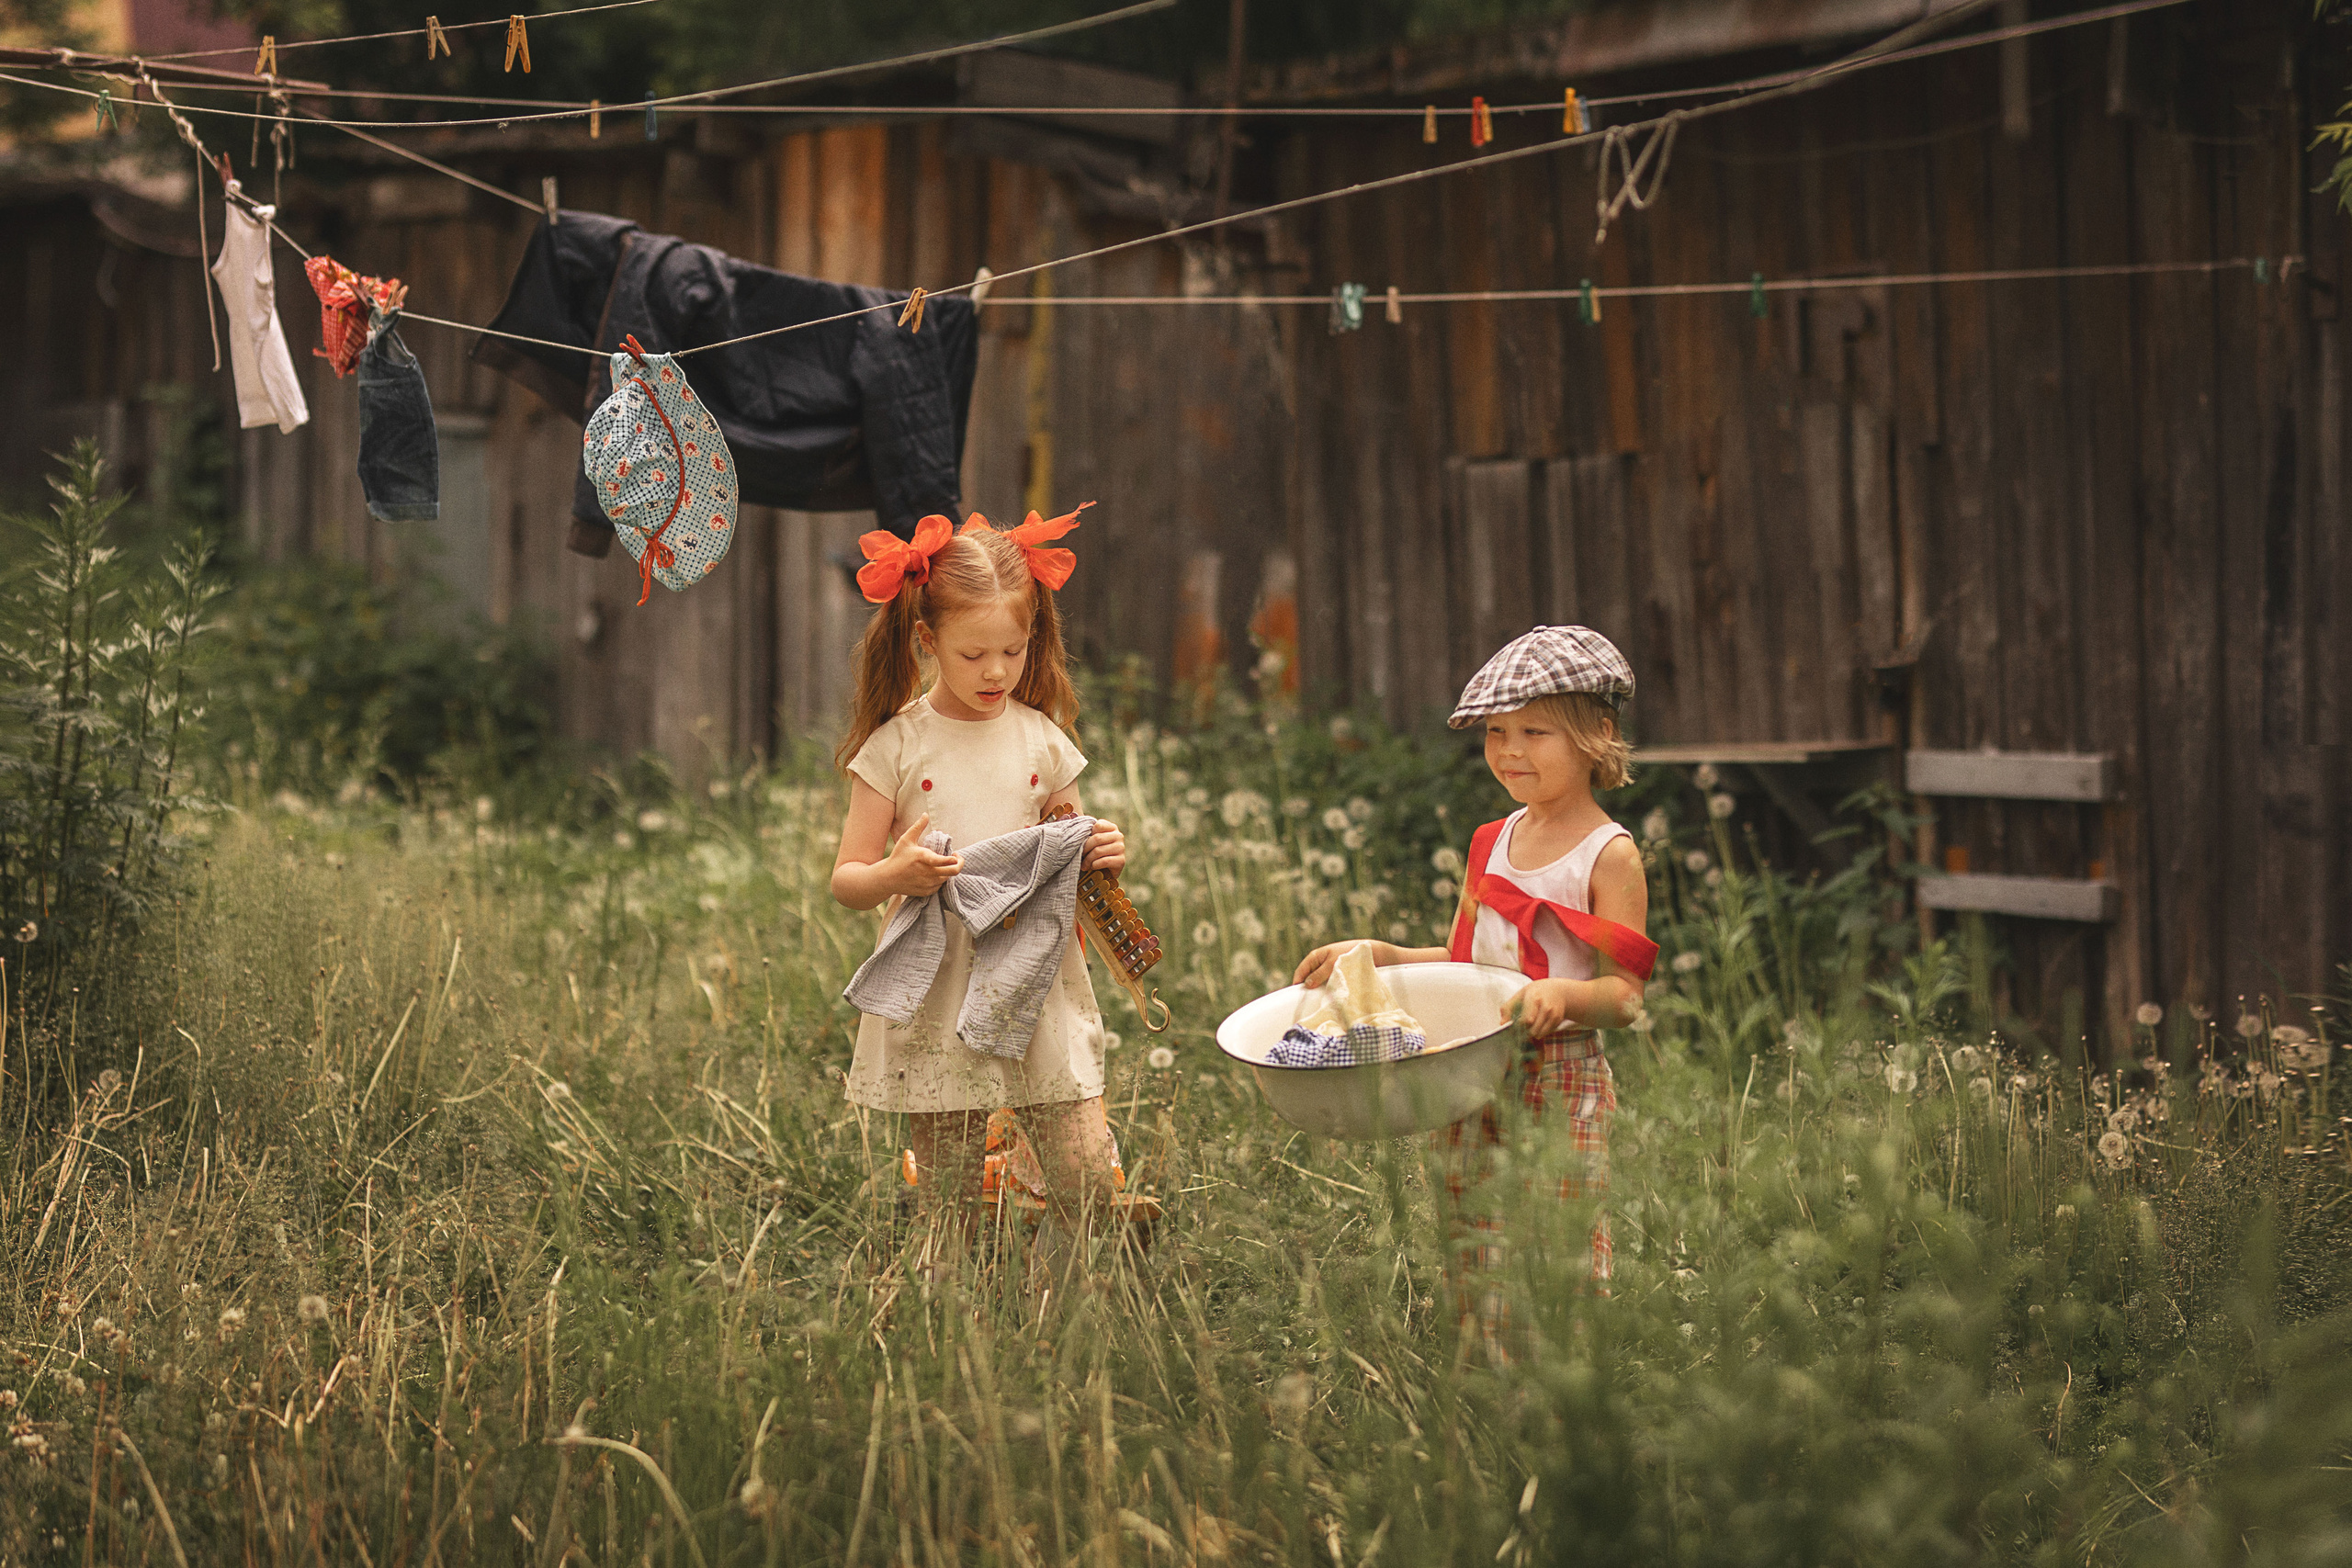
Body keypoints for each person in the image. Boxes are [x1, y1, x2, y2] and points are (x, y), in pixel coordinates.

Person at [1293, 626, 1657, 1350]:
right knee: (1473, 1221)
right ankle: (1487, 1360)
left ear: (1597, 734)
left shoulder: (1609, 855)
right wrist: (1386, 953)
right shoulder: (1491, 841)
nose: (1509, 750)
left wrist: (1564, 995)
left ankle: (1567, 1368)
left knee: (1559, 1227)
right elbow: (1467, 962)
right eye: (1495, 731)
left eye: (1534, 731)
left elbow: (1626, 995)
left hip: (1560, 1074)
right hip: (1471, 1068)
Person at [831, 506, 1128, 1277]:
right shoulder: (896, 745)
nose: (998, 671)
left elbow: (1071, 857)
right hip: (941, 982)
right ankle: (958, 1317)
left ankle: (1044, 1240)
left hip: (1035, 974)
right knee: (950, 1199)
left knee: (1086, 1172)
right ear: (928, 641)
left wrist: (1105, 854)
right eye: (974, 653)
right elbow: (848, 879)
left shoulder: (1039, 738)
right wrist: (895, 876)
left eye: (1014, 649)